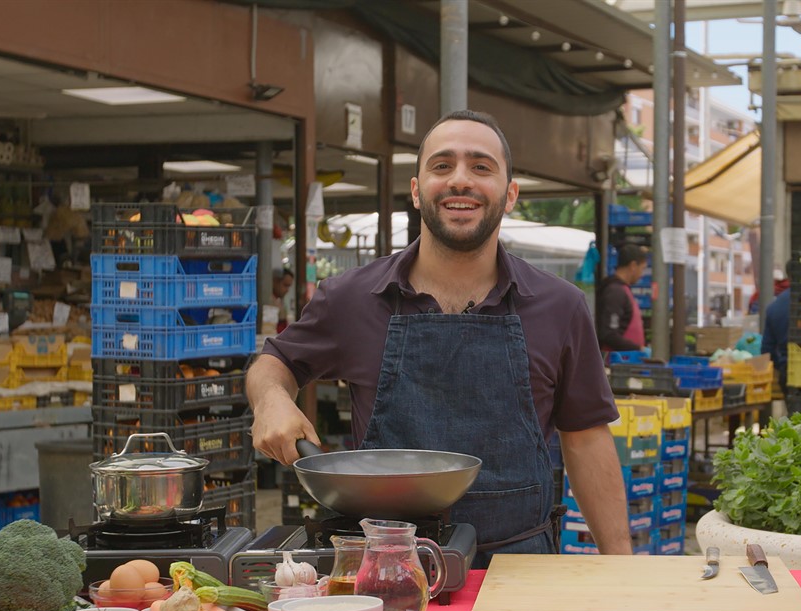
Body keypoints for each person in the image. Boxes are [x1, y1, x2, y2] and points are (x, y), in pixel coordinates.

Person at [248, 110, 632, 567]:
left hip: (522, 570)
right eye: (442, 165)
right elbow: (275, 363)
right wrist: (271, 398)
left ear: (510, 195)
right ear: (416, 190)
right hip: (385, 573)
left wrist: (621, 567)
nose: (460, 181)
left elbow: (586, 439)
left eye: (481, 167)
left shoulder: (560, 306)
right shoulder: (350, 297)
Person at [596, 244, 648, 353]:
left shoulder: (623, 290)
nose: (641, 274)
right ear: (633, 266)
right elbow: (609, 334)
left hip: (628, 362)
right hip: (616, 363)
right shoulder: (615, 292)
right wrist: (639, 349)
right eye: (642, 268)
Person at [761, 284, 791, 395]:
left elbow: (767, 350)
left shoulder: (774, 307)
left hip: (789, 373)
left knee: (797, 411)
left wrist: (781, 366)